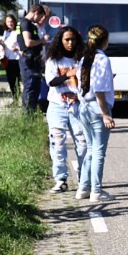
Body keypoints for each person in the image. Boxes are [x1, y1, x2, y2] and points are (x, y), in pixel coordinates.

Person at [44, 25, 88, 193]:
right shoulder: (54, 60)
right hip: (57, 106)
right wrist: (68, 74)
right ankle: (61, 179)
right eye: (66, 40)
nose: (70, 43)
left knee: (82, 142)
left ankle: (84, 178)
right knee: (58, 143)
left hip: (78, 106)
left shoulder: (81, 59)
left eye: (73, 39)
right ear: (60, 41)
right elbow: (51, 82)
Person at [77, 24, 117, 202]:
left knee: (91, 150)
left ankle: (83, 188)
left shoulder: (85, 57)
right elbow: (99, 89)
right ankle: (97, 192)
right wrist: (105, 114)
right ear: (105, 41)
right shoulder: (102, 59)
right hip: (97, 107)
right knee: (99, 152)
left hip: (84, 106)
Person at [19, 4, 49, 113]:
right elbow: (28, 42)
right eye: (40, 16)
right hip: (28, 62)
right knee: (30, 89)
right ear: (36, 12)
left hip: (33, 60)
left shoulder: (30, 24)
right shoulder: (26, 23)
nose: (41, 19)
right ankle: (28, 115)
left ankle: (31, 113)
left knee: (35, 88)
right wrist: (42, 41)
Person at [0, 12, 22, 101]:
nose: (10, 23)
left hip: (17, 58)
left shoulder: (18, 32)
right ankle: (15, 97)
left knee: (17, 79)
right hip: (8, 59)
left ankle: (19, 96)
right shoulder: (6, 32)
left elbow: (22, 44)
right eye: (8, 21)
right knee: (10, 80)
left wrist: (16, 48)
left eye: (11, 21)